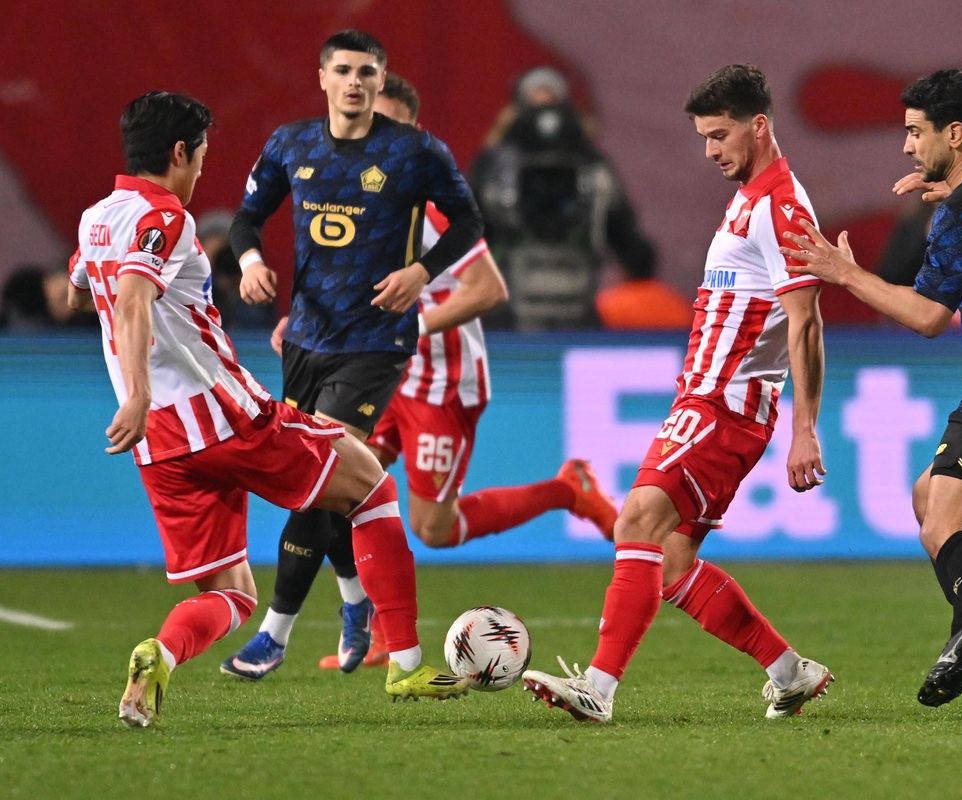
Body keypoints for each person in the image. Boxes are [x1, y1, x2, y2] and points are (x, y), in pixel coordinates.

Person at [66, 91, 469, 728]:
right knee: (368, 485)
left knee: (233, 594)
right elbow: (138, 298)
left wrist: (143, 377)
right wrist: (142, 386)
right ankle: (406, 662)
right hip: (222, 417)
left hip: (163, 449)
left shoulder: (96, 219)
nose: (201, 171)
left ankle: (159, 654)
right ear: (178, 152)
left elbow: (82, 293)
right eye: (200, 156)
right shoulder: (166, 215)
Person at [222, 73, 620, 676]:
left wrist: (405, 327)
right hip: (377, 374)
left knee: (434, 527)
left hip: (441, 381)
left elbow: (488, 289)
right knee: (337, 486)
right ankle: (362, 626)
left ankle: (569, 490)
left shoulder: (430, 203)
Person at [522, 64, 833, 723]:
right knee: (668, 561)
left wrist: (807, 427)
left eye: (720, 135)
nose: (711, 150)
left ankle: (598, 689)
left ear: (760, 126)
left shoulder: (780, 206)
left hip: (724, 407)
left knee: (636, 520)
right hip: (710, 402)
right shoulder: (751, 194)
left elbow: (806, 321)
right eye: (703, 137)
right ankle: (790, 671)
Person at [779, 68, 962, 720]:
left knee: (942, 525)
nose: (908, 147)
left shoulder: (961, 216)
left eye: (916, 133)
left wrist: (844, 272)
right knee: (929, 499)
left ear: (954, 131)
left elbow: (923, 318)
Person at [218, 31, 484, 697]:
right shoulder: (291, 144)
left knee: (322, 467)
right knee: (330, 485)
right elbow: (246, 221)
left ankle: (274, 633)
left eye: (368, 72)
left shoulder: (415, 151)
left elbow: (471, 224)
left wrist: (422, 271)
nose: (356, 82)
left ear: (380, 79)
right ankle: (355, 598)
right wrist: (250, 264)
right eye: (344, 70)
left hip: (376, 343)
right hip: (308, 337)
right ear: (323, 78)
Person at [469, 66, 657, 331]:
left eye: (551, 100)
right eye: (535, 101)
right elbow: (465, 234)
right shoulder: (494, 166)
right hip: (509, 310)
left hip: (578, 305)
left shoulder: (593, 168)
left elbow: (630, 244)